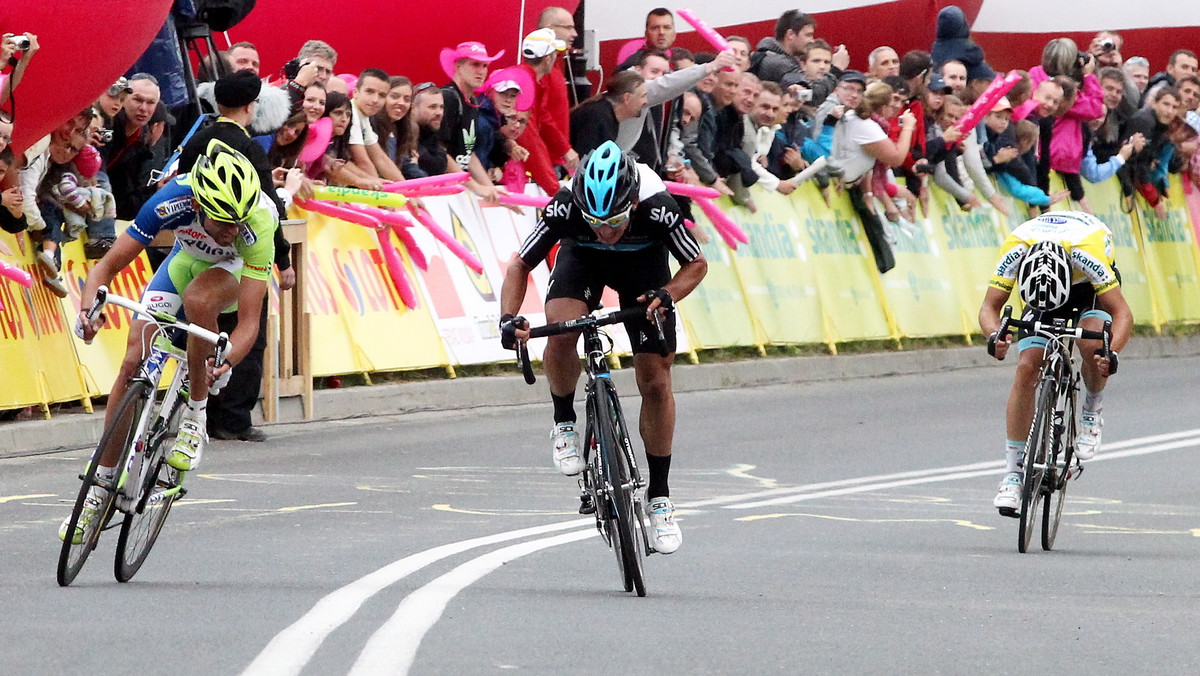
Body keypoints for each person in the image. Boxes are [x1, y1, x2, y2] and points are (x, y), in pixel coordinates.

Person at [64, 141, 305, 541]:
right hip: (183, 261)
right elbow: (105, 268)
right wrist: (90, 309)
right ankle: (100, 486)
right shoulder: (171, 201)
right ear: (199, 205)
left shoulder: (258, 225)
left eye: (237, 222)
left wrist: (227, 358)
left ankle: (195, 412)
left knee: (198, 299)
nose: (232, 231)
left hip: (231, 271)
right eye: (223, 221)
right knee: (132, 361)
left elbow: (249, 323)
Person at [498, 142, 707, 554]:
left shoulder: (658, 207)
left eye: (613, 220)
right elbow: (519, 264)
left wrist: (666, 295)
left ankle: (660, 498)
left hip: (643, 267)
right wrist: (507, 318)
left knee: (655, 382)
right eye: (595, 220)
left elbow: (695, 265)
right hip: (583, 262)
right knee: (560, 332)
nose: (605, 231)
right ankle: (563, 422)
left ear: (632, 201)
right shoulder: (566, 207)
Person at [980, 210, 1132, 516]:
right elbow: (989, 307)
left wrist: (1110, 353)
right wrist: (994, 336)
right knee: (1026, 367)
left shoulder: (1088, 253)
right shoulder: (1016, 248)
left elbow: (1123, 314)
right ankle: (1012, 473)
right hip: (1043, 290)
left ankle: (1092, 408)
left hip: (1086, 288)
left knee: (1092, 345)